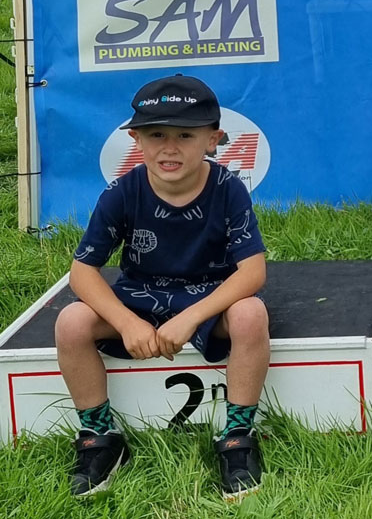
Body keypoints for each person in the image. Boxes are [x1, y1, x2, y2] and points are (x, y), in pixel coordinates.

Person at [54, 74, 270, 500]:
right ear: (135, 139)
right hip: (140, 298)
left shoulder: (228, 189)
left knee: (251, 313)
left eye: (185, 135)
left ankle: (238, 437)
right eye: (156, 135)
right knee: (71, 321)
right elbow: (82, 272)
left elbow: (252, 272)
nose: (169, 148)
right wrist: (127, 323)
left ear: (213, 140)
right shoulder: (121, 192)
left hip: (208, 298)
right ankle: (99, 437)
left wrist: (191, 317)